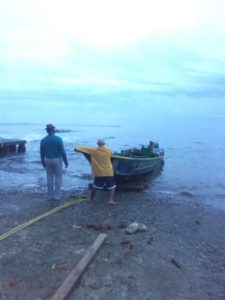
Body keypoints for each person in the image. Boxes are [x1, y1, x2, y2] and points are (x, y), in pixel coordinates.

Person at [74, 139, 117, 205]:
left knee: (95, 186)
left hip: (99, 172)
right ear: (104, 144)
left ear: (97, 144)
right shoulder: (109, 150)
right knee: (112, 187)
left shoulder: (93, 151)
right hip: (108, 172)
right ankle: (110, 200)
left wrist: (76, 149)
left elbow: (79, 148)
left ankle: (92, 199)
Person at [40, 124, 68, 200]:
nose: (55, 130)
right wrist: (66, 162)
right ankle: (57, 196)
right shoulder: (58, 139)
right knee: (58, 177)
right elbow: (62, 151)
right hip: (57, 160)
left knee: (49, 178)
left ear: (47, 131)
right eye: (54, 129)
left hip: (47, 160)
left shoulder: (43, 140)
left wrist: (43, 162)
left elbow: (42, 153)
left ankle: (50, 196)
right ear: (52, 130)